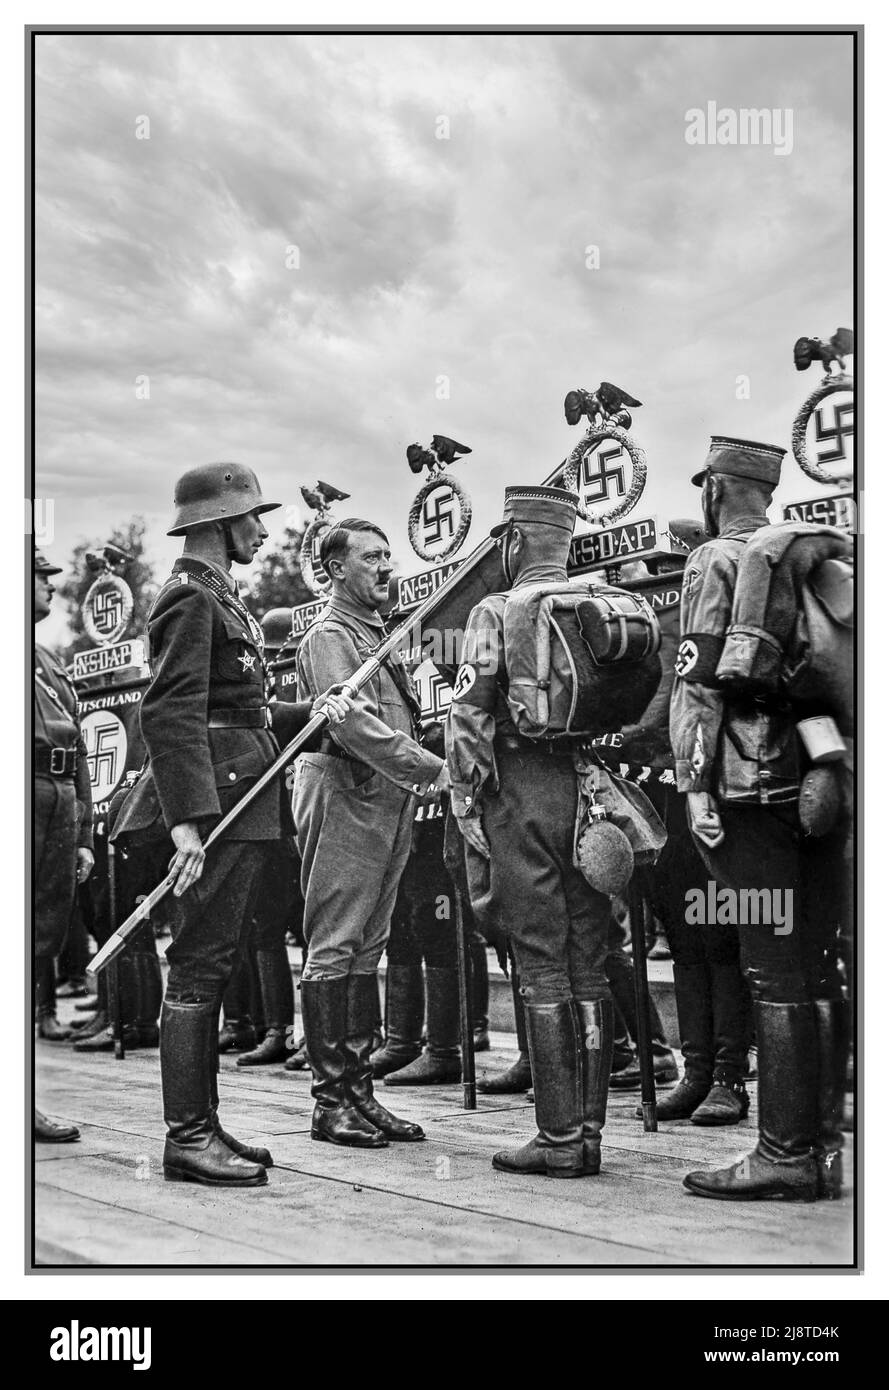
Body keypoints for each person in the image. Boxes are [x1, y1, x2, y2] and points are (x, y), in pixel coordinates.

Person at [111, 463, 351, 1186]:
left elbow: (239, 715)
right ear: (217, 523)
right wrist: (187, 821)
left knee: (213, 964)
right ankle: (186, 1137)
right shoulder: (188, 599)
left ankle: (206, 1125)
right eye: (251, 517)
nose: (262, 528)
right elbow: (170, 712)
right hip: (218, 807)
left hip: (244, 798)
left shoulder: (221, 597)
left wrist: (308, 714)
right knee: (198, 965)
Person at [670, 436, 850, 1200]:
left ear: (715, 487)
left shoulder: (716, 561)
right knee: (816, 964)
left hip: (745, 788)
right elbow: (822, 689)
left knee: (768, 967)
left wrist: (692, 784)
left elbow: (698, 684)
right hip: (821, 782)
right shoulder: (812, 559)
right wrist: (827, 769)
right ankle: (820, 1148)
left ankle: (779, 1155)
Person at [445, 485, 614, 1178]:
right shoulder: (599, 601)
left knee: (539, 960)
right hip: (589, 790)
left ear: (513, 541)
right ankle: (592, 1132)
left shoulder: (495, 610)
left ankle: (556, 1135)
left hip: (517, 793)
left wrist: (463, 800)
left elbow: (469, 714)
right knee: (588, 964)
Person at [294, 518, 448, 1148]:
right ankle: (329, 1102)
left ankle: (358, 1093)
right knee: (335, 941)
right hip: (348, 790)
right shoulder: (331, 634)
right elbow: (351, 721)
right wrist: (432, 769)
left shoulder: (373, 633)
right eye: (371, 558)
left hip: (386, 797)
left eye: (388, 556)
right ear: (335, 569)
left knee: (367, 944)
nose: (386, 567)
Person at [34, 548, 94, 1140]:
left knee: (38, 946)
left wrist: (82, 835)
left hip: (53, 806)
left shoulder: (48, 663)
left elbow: (74, 751)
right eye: (37, 575)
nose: (49, 584)